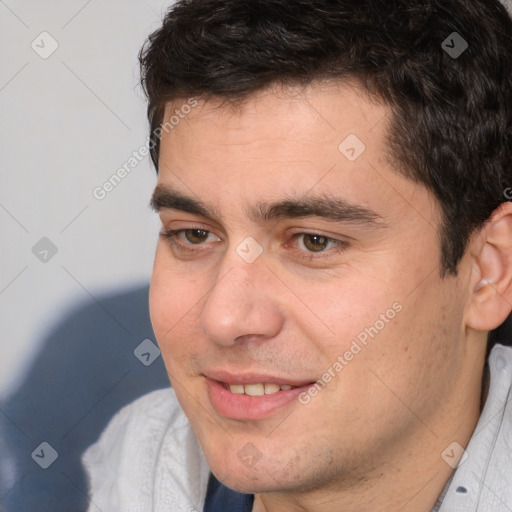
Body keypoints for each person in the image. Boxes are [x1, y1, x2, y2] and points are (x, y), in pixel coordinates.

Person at [82, 1, 512, 510]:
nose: (223, 318)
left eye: (314, 242)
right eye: (194, 234)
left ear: (488, 271)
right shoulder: (139, 464)